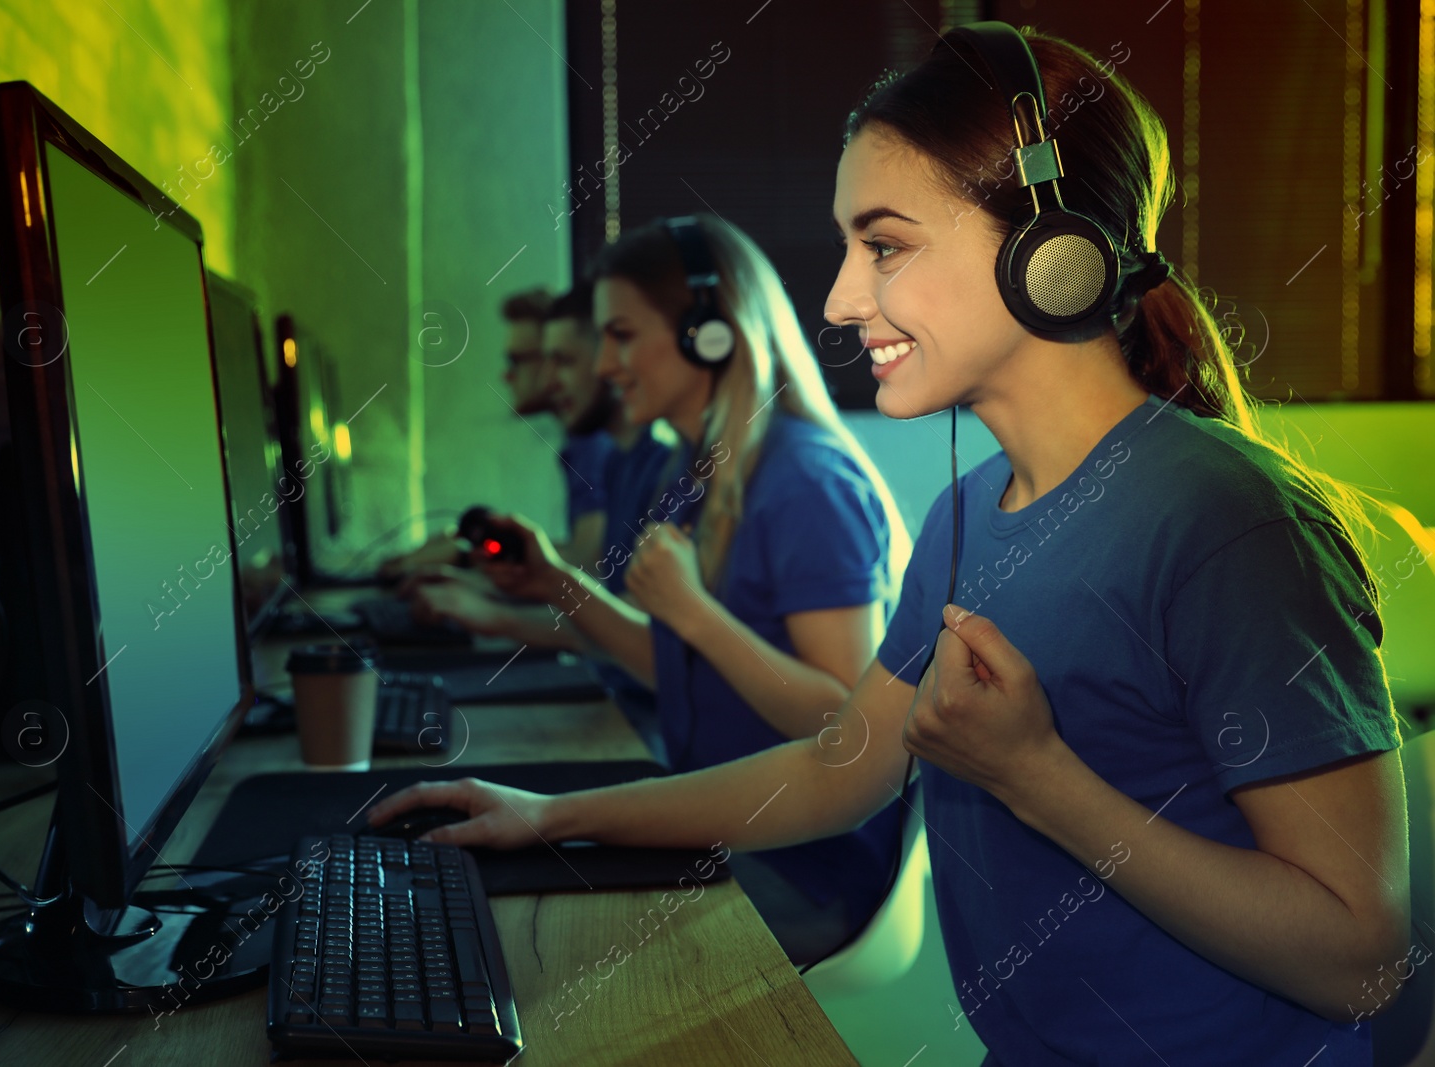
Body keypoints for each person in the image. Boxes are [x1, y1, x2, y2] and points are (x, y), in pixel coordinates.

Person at [370, 24, 1411, 1061]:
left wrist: (1038, 775)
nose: (835, 299)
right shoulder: (966, 513)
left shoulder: (1226, 522)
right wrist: (550, 815)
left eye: (885, 245)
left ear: (1047, 254)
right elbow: (841, 763)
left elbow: (1358, 960)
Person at [403, 213, 910, 967]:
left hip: (806, 870)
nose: (603, 364)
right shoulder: (699, 474)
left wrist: (696, 615)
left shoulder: (805, 480)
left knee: (537, 948)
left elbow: (847, 726)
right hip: (725, 823)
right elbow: (670, 667)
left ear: (709, 330)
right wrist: (553, 581)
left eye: (621, 335)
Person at [411, 283, 677, 741]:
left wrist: (495, 608)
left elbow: (596, 574)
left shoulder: (638, 461)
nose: (548, 380)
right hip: (620, 697)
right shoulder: (618, 459)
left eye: (563, 361)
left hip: (643, 722)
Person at [381, 287, 613, 576]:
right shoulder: (578, 442)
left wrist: (464, 557)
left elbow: (588, 566)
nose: (506, 375)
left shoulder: (593, 442)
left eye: (516, 361)